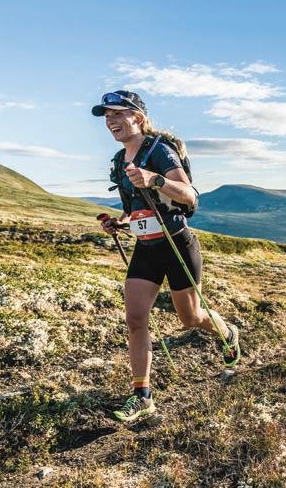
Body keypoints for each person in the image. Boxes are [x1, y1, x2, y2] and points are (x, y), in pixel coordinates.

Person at [92, 90, 241, 422]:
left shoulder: (159, 150)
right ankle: (142, 396)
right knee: (135, 319)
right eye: (107, 116)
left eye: (117, 113)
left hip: (177, 244)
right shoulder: (119, 160)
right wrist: (119, 222)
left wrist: (155, 179)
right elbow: (135, 208)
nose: (110, 120)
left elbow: (189, 196)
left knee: (191, 318)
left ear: (138, 118)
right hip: (145, 248)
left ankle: (227, 333)